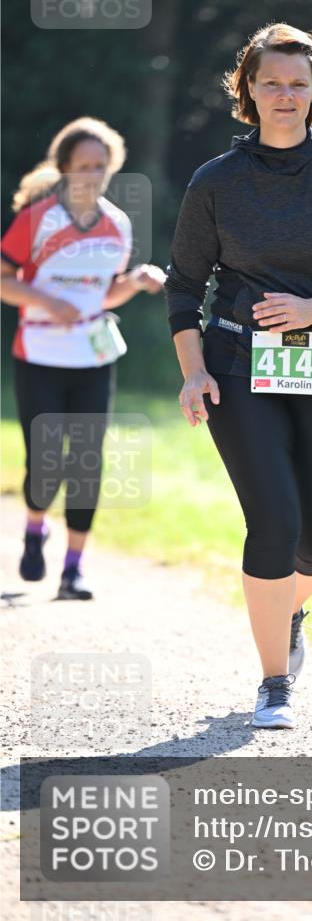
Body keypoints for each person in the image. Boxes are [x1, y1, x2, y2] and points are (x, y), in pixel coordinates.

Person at [164, 23, 312, 728]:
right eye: (270, 81)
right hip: (236, 367)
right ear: (248, 90)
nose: (284, 95)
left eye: (298, 83)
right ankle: (273, 685)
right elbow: (183, 286)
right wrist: (192, 372)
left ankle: (284, 608)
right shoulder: (216, 181)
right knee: (273, 521)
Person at [1, 116, 165, 600]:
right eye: (83, 165)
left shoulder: (118, 223)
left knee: (87, 464)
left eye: (101, 165)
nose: (92, 174)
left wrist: (134, 283)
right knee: (46, 462)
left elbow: (105, 294)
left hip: (93, 357)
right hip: (40, 352)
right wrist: (49, 302)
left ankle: (73, 569)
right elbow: (4, 278)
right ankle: (35, 529)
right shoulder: (37, 218)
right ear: (65, 168)